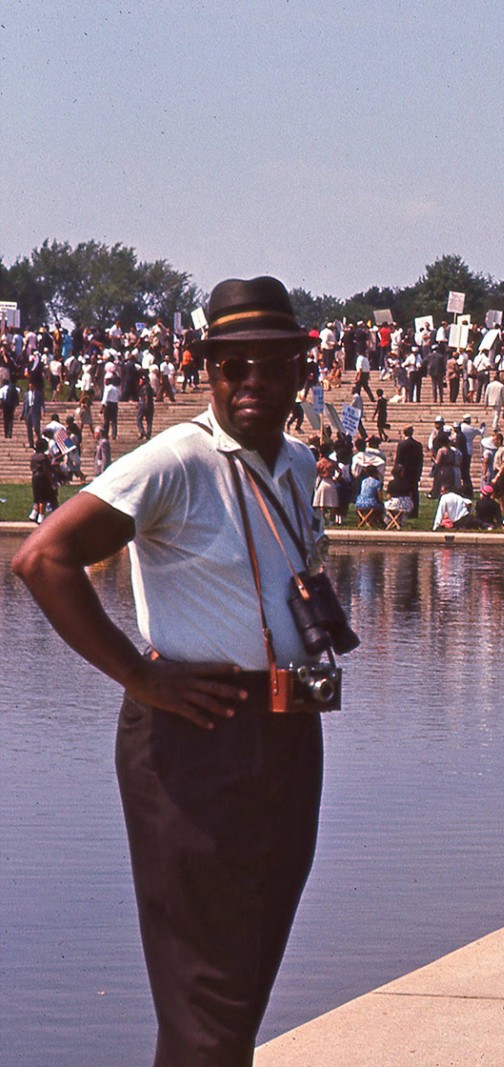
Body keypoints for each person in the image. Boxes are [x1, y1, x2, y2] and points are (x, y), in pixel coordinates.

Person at [10, 275, 338, 1064]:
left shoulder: (293, 462)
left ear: (299, 369)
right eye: (233, 365)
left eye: (268, 362)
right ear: (207, 371)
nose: (251, 379)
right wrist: (140, 675)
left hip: (287, 734)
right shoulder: (178, 459)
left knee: (237, 989)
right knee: (208, 999)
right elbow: (43, 557)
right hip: (198, 734)